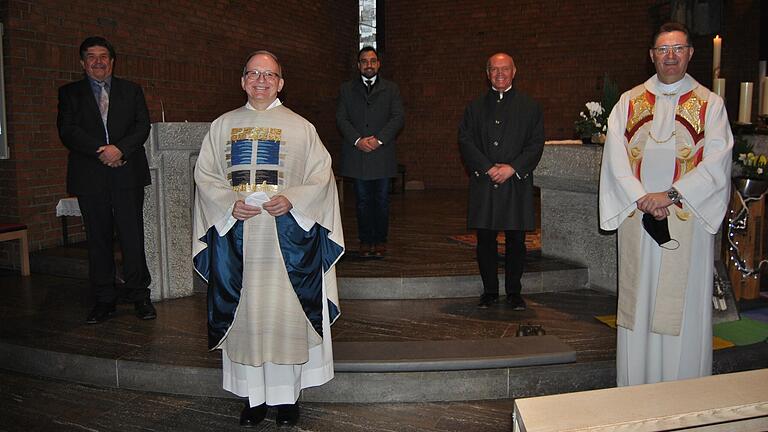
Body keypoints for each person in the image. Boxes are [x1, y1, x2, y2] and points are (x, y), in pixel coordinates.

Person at [192, 50, 344, 428]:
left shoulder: (302, 128)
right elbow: (205, 175)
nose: (262, 80)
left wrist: (293, 198)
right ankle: (253, 399)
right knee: (246, 317)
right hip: (238, 239)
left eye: (270, 74)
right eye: (254, 74)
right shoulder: (222, 125)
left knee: (285, 317)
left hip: (286, 242)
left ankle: (288, 399)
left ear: (281, 82)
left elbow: (321, 176)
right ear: (243, 80)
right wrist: (229, 203)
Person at [599, 22, 732, 386]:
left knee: (682, 309)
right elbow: (615, 159)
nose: (670, 56)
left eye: (678, 49)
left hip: (685, 219)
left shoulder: (710, 105)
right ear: (652, 56)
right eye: (663, 50)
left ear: (690, 53)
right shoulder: (628, 102)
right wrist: (642, 197)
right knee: (638, 305)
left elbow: (717, 161)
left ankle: (683, 395)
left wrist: (671, 194)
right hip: (638, 222)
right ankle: (635, 390)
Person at [57, 36, 156, 324]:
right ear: (82, 63)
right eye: (91, 56)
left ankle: (139, 295)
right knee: (98, 239)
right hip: (90, 175)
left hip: (128, 173)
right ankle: (104, 299)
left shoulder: (131, 90)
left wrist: (120, 149)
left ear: (112, 62)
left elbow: (142, 125)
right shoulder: (69, 93)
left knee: (132, 236)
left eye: (104, 56)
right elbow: (67, 130)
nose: (98, 61)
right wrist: (102, 151)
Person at [458, 52, 544, 310]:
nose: (499, 74)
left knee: (516, 240)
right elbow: (465, 141)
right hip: (485, 183)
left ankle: (514, 292)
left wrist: (513, 168)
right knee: (485, 240)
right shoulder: (474, 108)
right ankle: (490, 291)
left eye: (504, 69)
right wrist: (486, 167)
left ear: (514, 72)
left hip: (515, 183)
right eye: (494, 70)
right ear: (487, 74)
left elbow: (535, 143)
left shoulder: (530, 107)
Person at [336, 46, 404, 257]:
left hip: (381, 155)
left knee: (382, 201)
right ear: (358, 65)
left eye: (372, 61)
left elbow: (398, 117)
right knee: (362, 202)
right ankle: (365, 241)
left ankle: (380, 240)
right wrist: (357, 140)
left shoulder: (391, 89)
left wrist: (379, 139)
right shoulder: (346, 89)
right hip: (358, 155)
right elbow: (341, 118)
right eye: (364, 61)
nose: (369, 64)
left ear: (378, 64)